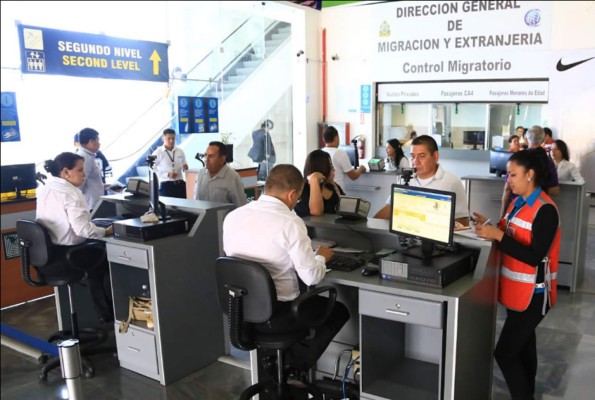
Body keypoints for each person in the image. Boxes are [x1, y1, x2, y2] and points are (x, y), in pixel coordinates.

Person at [222, 164, 349, 373]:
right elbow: (311, 277)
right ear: (292, 194)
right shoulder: (290, 222)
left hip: (241, 312)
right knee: (339, 311)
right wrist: (320, 257)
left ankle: (276, 371)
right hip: (279, 317)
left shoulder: (233, 216)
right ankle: (294, 367)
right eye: (298, 199)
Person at [473, 149, 560, 400]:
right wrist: (490, 225)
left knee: (506, 353)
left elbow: (533, 255)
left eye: (512, 175)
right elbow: (511, 233)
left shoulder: (546, 210)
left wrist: (497, 235)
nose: (507, 180)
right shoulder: (517, 202)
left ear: (530, 174)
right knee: (523, 348)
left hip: (534, 295)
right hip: (516, 291)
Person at [36, 152, 114, 325]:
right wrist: (106, 231)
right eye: (80, 170)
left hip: (49, 256)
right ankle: (108, 314)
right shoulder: (71, 193)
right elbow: (84, 230)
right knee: (111, 256)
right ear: (66, 172)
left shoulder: (45, 188)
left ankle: (103, 313)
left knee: (97, 254)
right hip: (69, 255)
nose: (84, 175)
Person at [374, 135, 469, 226]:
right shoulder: (406, 180)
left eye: (421, 156)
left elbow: (463, 220)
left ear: (435, 156)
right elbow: (390, 208)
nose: (415, 161)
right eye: (412, 156)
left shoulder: (451, 182)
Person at [500, 125, 559, 218]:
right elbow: (554, 190)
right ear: (543, 140)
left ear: (526, 139)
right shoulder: (548, 161)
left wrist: (502, 216)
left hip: (516, 207)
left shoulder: (518, 159)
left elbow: (507, 189)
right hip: (538, 208)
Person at [193, 141, 248, 206]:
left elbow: (240, 206)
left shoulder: (233, 177)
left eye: (211, 156)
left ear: (222, 159)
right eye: (206, 155)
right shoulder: (201, 174)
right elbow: (196, 200)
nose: (207, 160)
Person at [294, 149, 345, 218]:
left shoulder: (335, 187)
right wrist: (314, 180)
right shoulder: (303, 190)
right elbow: (316, 212)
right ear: (321, 168)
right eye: (330, 165)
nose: (333, 170)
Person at [321, 125, 366, 190]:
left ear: (324, 139)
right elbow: (353, 176)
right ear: (336, 138)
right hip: (337, 192)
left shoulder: (320, 153)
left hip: (324, 191)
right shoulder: (340, 153)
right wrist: (361, 169)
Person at [151, 128, 189, 198]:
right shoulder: (158, 152)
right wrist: (167, 174)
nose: (171, 141)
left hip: (180, 184)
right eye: (168, 138)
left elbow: (184, 166)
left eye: (173, 138)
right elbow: (152, 169)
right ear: (163, 138)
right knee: (168, 208)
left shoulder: (180, 151)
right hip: (166, 186)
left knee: (183, 207)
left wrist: (185, 168)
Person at [75, 128, 105, 210]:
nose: (99, 144)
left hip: (94, 203)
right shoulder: (85, 158)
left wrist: (105, 186)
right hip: (90, 205)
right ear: (92, 142)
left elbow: (90, 181)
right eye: (98, 141)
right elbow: (80, 183)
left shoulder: (89, 156)